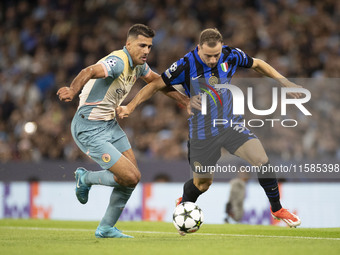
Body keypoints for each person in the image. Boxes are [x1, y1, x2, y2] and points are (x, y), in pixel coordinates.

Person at [117, 28, 302, 234]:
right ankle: (185, 203)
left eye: (216, 55)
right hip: (202, 133)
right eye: (208, 56)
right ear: (198, 49)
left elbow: (257, 63)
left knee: (262, 160)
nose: (213, 60)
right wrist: (130, 107)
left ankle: (277, 209)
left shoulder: (230, 55)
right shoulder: (186, 64)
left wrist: (284, 81)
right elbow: (155, 85)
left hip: (230, 125)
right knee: (202, 184)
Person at [57, 24, 189, 238]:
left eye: (149, 46)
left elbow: (157, 82)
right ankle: (86, 178)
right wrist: (73, 89)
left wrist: (184, 101)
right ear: (128, 44)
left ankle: (106, 227)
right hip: (88, 127)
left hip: (110, 125)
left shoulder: (138, 66)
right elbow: (89, 71)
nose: (146, 51)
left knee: (131, 178)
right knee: (131, 176)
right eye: (141, 45)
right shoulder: (118, 62)